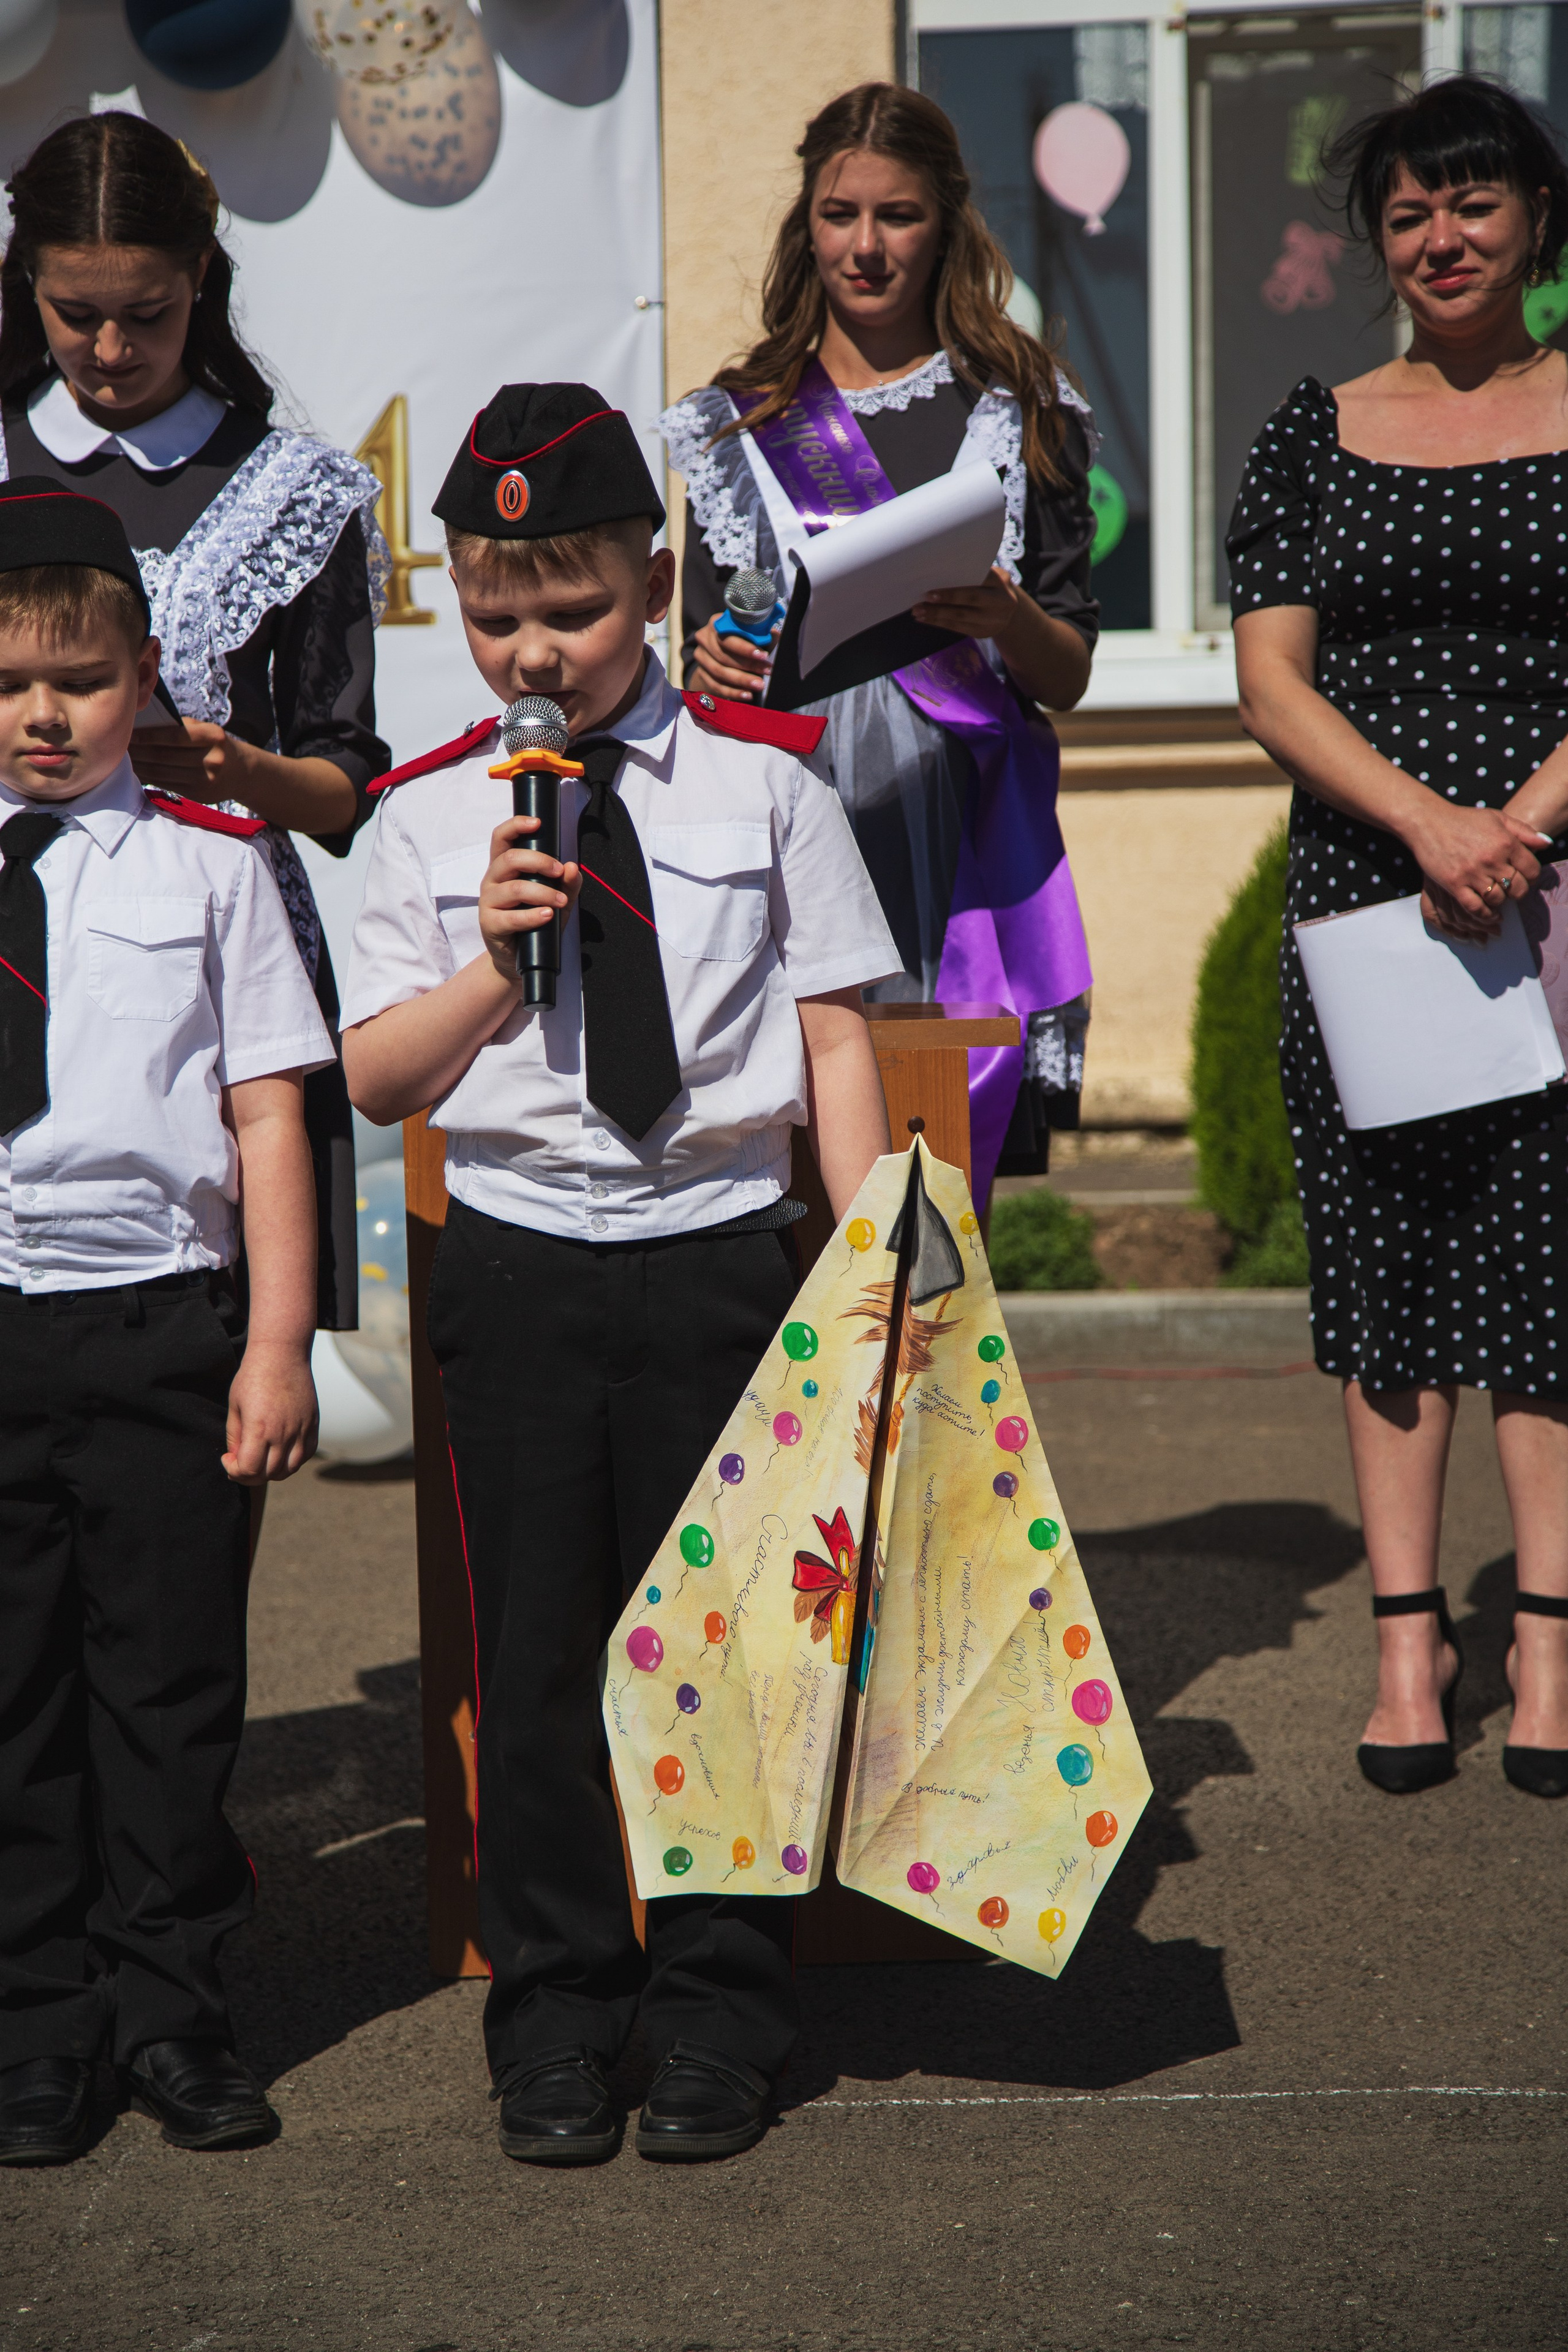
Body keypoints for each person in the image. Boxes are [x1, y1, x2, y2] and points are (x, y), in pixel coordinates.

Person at [341, 383, 897, 2164]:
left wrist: (879, 1263)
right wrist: (496, 968)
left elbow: (828, 1039)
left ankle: (723, 2004)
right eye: (496, 613)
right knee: (546, 1655)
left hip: (717, 1256)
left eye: (570, 608)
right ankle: (559, 2013)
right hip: (516, 1261)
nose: (533, 649)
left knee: (728, 1645)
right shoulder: (427, 819)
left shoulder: (767, 786)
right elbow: (373, 1077)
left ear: (652, 582)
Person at [1229, 74, 1568, 1800]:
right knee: (1389, 1266)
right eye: (1411, 211)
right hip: (1370, 895)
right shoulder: (1313, 426)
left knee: (1553, 1252)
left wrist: (1526, 822)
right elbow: (1270, 682)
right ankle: (1411, 1651)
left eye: (1477, 203)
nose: (1443, 238)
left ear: (1535, 222)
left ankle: (1551, 1655)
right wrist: (1432, 825)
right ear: (1378, 237)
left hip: (1562, 888)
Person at [0, 481, 331, 2167]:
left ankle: (177, 2016)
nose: (42, 715)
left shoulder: (212, 868)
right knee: (15, 1705)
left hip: (160, 1332)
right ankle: (37, 2029)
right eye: (6, 681)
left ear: (144, 675)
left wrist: (277, 1343)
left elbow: (271, 1112)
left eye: (76, 677)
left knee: (168, 1695)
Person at [663, 81, 1098, 1204]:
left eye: (896, 215)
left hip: (955, 826)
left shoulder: (1020, 404)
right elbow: (695, 655)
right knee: (787, 1184)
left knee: (940, 1195)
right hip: (785, 819)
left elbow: (1073, 671)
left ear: (947, 218)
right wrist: (705, 664)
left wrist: (1006, 621)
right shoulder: (740, 418)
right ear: (805, 224)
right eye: (838, 213)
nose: (865, 247)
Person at [0, 110, 390, 1329]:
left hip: (216, 967)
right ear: (28, 285)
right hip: (20, 932)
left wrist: (246, 771)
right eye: (76, 312)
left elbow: (344, 790)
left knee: (207, 1351)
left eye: (148, 313)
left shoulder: (291, 490)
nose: (111, 347)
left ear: (201, 282)